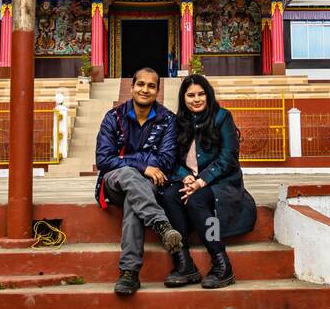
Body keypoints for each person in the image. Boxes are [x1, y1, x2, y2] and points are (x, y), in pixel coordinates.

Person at [155, 74, 257, 289]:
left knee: (196, 201)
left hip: (221, 182)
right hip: (189, 181)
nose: (196, 99)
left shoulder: (222, 118)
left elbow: (228, 158)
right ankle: (183, 263)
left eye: (201, 94)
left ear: (208, 95)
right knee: (170, 196)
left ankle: (221, 261)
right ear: (183, 98)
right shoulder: (178, 123)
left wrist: (202, 181)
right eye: (191, 95)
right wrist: (185, 176)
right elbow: (171, 159)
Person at [94, 67, 183, 296]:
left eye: (151, 85)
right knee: (128, 174)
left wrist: (127, 160)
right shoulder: (113, 117)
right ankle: (161, 225)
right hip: (114, 182)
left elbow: (165, 160)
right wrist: (143, 166)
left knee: (134, 201)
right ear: (131, 87)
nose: (145, 89)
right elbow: (104, 160)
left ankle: (129, 273)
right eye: (140, 84)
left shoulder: (168, 120)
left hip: (149, 185)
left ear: (157, 90)